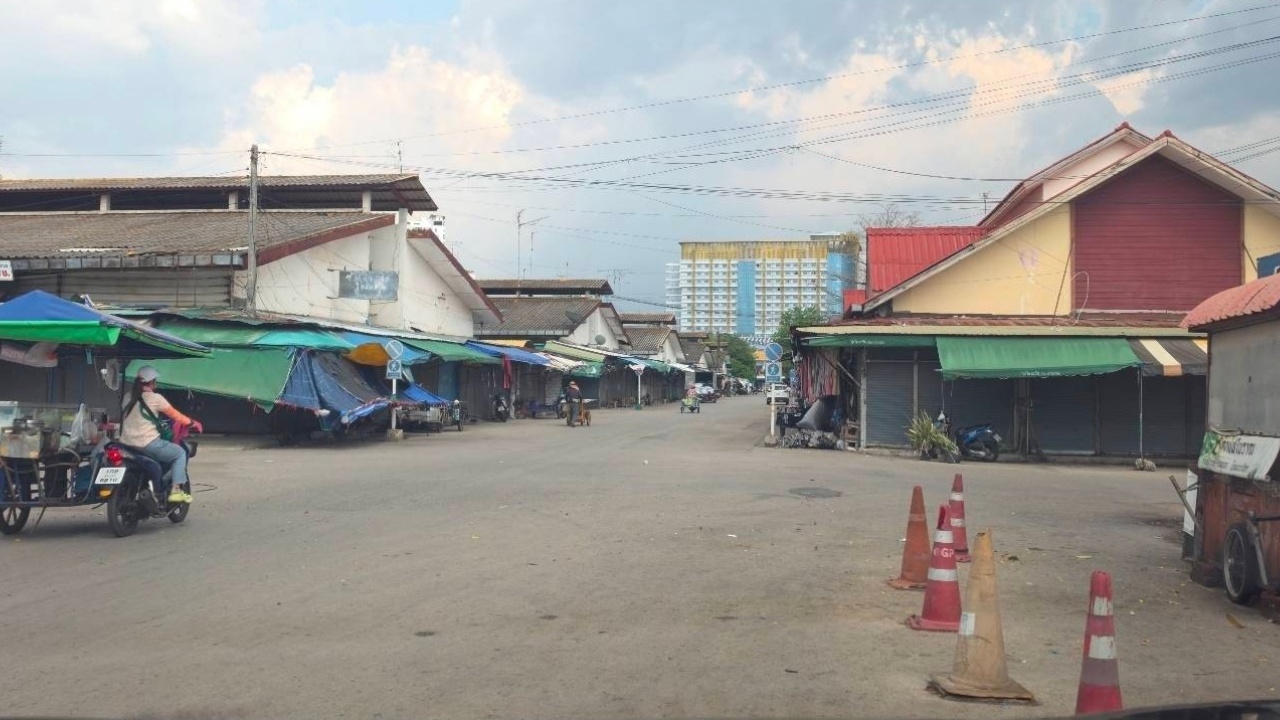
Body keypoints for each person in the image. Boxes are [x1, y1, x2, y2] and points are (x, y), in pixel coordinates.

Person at [120, 365, 203, 504]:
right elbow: (176, 416)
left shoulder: (127, 397)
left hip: (126, 444)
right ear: (152, 382)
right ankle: (176, 490)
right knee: (179, 453)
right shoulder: (156, 398)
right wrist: (192, 423)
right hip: (147, 444)